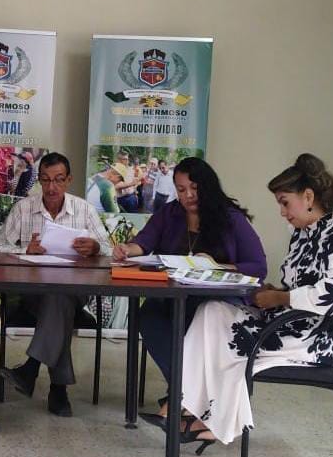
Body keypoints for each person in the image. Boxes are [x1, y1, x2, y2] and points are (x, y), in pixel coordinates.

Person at [141, 154, 333, 450]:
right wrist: (274, 293)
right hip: (283, 321)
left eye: (285, 203)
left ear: (308, 197)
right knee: (211, 311)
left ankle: (197, 414)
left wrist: (280, 297)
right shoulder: (302, 235)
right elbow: (299, 286)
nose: (282, 212)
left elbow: (331, 294)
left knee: (223, 338)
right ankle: (190, 404)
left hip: (310, 336)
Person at [113, 157, 267, 406]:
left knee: (197, 313)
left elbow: (259, 267)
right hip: (176, 297)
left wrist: (217, 266)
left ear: (208, 186)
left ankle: (182, 397)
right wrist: (127, 249)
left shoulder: (231, 218)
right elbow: (143, 242)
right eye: (181, 189)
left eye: (195, 188)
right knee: (148, 314)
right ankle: (187, 392)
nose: (188, 196)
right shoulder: (170, 213)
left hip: (218, 300)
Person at [0, 152, 112, 416]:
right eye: (45, 180)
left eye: (58, 180)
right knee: (58, 304)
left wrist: (95, 247)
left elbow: (109, 250)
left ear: (69, 180)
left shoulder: (84, 209)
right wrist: (25, 249)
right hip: (33, 292)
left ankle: (31, 368)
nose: (51, 187)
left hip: (76, 291)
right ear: (39, 180)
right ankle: (58, 390)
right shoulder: (24, 208)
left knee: (61, 297)